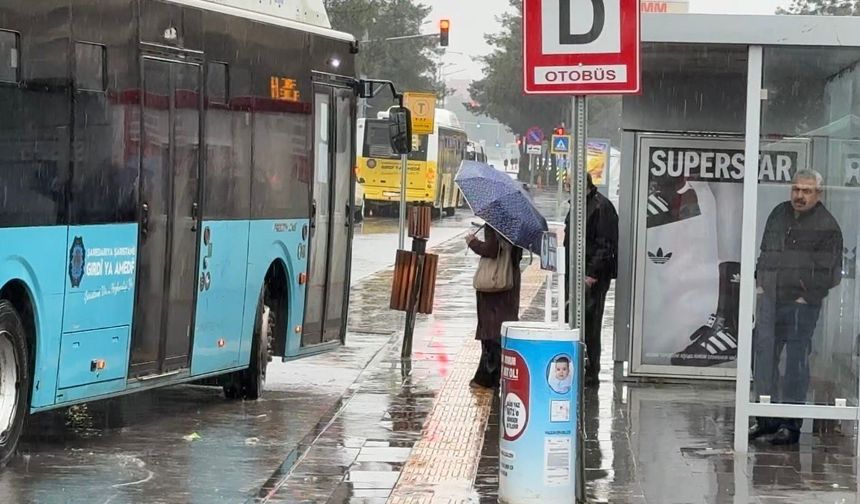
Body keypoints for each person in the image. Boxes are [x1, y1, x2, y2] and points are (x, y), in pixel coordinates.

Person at [749, 169, 843, 445]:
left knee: (795, 363)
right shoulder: (779, 213)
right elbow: (766, 251)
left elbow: (831, 272)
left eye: (806, 190)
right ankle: (765, 419)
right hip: (771, 299)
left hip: (801, 306)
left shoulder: (827, 225)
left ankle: (790, 426)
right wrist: (761, 282)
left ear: (818, 193)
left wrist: (807, 296)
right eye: (796, 189)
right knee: (763, 356)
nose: (799, 195)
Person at [564, 174, 619, 387]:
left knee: (591, 323)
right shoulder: (581, 205)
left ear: (582, 185)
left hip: (591, 279)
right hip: (577, 274)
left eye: (569, 185)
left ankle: (590, 373)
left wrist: (591, 274)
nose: (567, 188)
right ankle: (580, 368)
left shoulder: (600, 207)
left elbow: (605, 245)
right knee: (578, 323)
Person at [466, 226, 523, 389]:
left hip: (495, 285)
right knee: (501, 329)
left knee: (491, 332)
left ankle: (487, 377)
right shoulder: (514, 225)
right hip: (510, 282)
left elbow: (491, 249)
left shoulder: (495, 223)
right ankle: (498, 374)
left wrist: (473, 242)